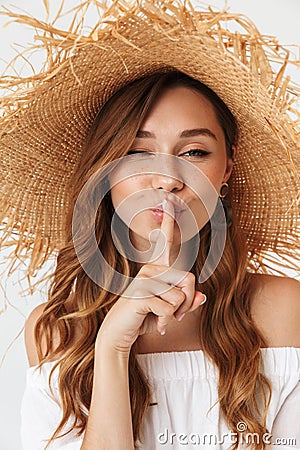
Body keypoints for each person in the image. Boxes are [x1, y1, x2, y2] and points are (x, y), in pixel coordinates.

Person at [0, 1, 299, 449]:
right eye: (139, 153)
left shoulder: (284, 310)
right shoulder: (57, 329)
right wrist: (113, 347)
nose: (167, 179)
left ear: (226, 171)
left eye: (195, 152)